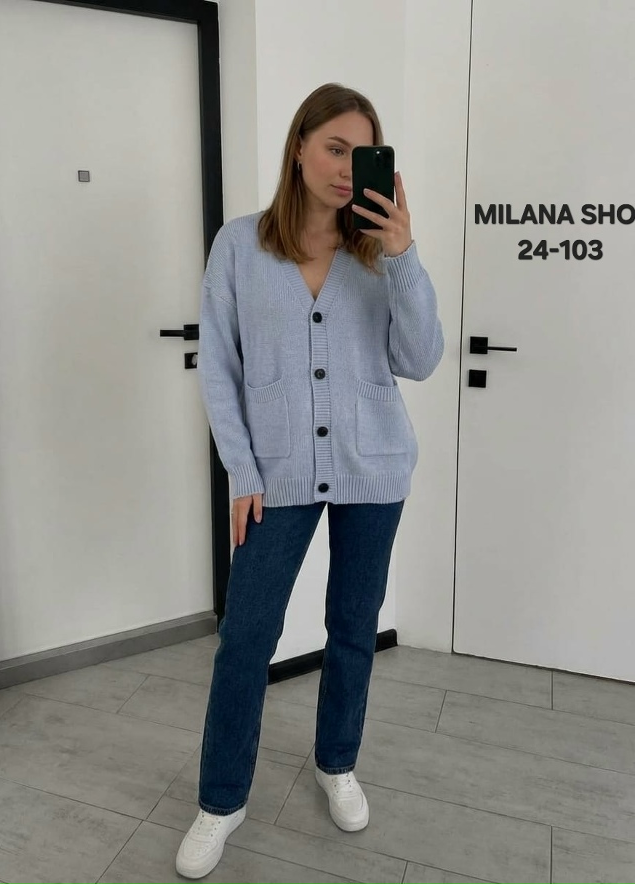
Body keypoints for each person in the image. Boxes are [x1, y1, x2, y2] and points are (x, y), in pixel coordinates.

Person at [175, 82, 444, 879]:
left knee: (353, 629)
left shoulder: (380, 255)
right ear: (299, 147)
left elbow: (421, 360)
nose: (345, 167)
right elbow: (219, 368)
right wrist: (242, 470)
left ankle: (337, 763)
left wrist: (404, 255)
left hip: (374, 467)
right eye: (334, 147)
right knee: (246, 639)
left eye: (362, 153)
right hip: (276, 473)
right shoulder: (238, 246)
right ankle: (220, 801)